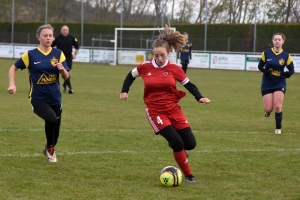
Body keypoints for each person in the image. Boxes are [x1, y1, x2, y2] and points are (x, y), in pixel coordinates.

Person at [119, 25, 211, 183]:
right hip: (155, 111)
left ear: (168, 53)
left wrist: (199, 97)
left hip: (173, 109)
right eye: (156, 55)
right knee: (176, 142)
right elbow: (130, 76)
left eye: (162, 55)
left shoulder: (175, 68)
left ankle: (181, 151)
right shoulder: (145, 67)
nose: (159, 58)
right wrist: (125, 90)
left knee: (190, 143)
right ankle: (189, 176)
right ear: (152, 54)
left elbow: (188, 84)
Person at [7, 24, 70, 162]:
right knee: (51, 119)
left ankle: (49, 146)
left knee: (56, 131)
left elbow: (66, 77)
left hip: (55, 98)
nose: (48, 38)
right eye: (45, 35)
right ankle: (51, 150)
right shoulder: (30, 55)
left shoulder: (58, 54)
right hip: (38, 98)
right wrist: (12, 84)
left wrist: (62, 70)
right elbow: (13, 68)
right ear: (38, 37)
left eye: (50, 36)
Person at [258, 33, 294, 134]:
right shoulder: (266, 53)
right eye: (275, 39)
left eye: (279, 39)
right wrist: (265, 71)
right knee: (268, 108)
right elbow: (260, 66)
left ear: (283, 41)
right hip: (267, 83)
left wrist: (288, 74)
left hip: (280, 82)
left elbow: (292, 69)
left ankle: (278, 128)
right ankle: (267, 112)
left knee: (278, 106)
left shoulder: (286, 55)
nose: (277, 41)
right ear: (273, 41)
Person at [51, 25, 79, 94]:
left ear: (68, 31)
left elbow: (77, 46)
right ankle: (71, 89)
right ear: (61, 31)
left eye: (66, 30)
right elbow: (50, 46)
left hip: (69, 57)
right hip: (60, 57)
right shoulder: (57, 38)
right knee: (64, 72)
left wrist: (75, 54)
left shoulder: (72, 38)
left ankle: (64, 85)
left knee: (68, 74)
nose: (65, 31)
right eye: (64, 30)